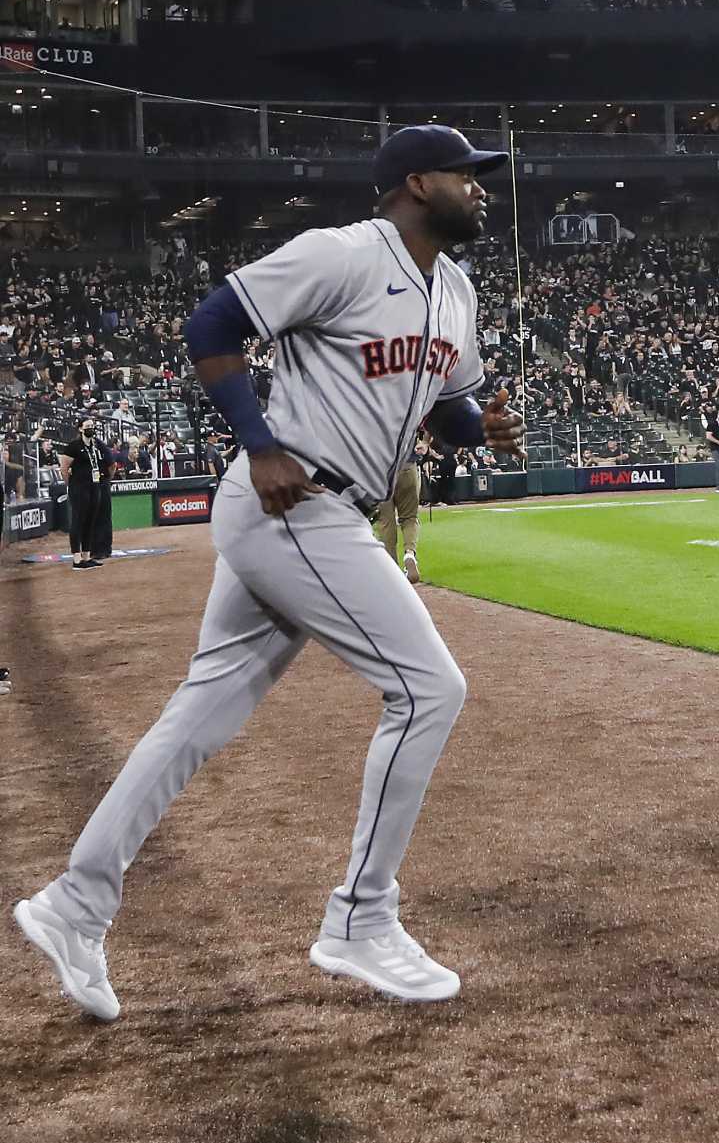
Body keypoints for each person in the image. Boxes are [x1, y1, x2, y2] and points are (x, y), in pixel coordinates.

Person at [12, 124, 524, 1020]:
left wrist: (484, 431)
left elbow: (444, 404)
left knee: (197, 715)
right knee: (429, 687)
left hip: (326, 512)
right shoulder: (341, 254)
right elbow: (211, 324)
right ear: (415, 182)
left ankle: (74, 903)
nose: (482, 188)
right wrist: (258, 446)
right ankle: (361, 919)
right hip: (297, 504)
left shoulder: (457, 288)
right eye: (465, 174)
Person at [55, 416, 113, 570]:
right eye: (87, 426)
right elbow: (64, 468)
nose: (90, 428)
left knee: (90, 520)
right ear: (80, 428)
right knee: (78, 521)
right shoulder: (74, 446)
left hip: (94, 486)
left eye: (92, 426)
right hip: (79, 488)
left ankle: (87, 557)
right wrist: (71, 485)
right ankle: (76, 559)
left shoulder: (94, 446)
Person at [373, 426, 427, 583]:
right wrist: (425, 441)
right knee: (409, 517)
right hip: (407, 465)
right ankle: (410, 553)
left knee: (386, 521)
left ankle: (392, 571)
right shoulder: (407, 403)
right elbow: (430, 420)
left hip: (380, 469)